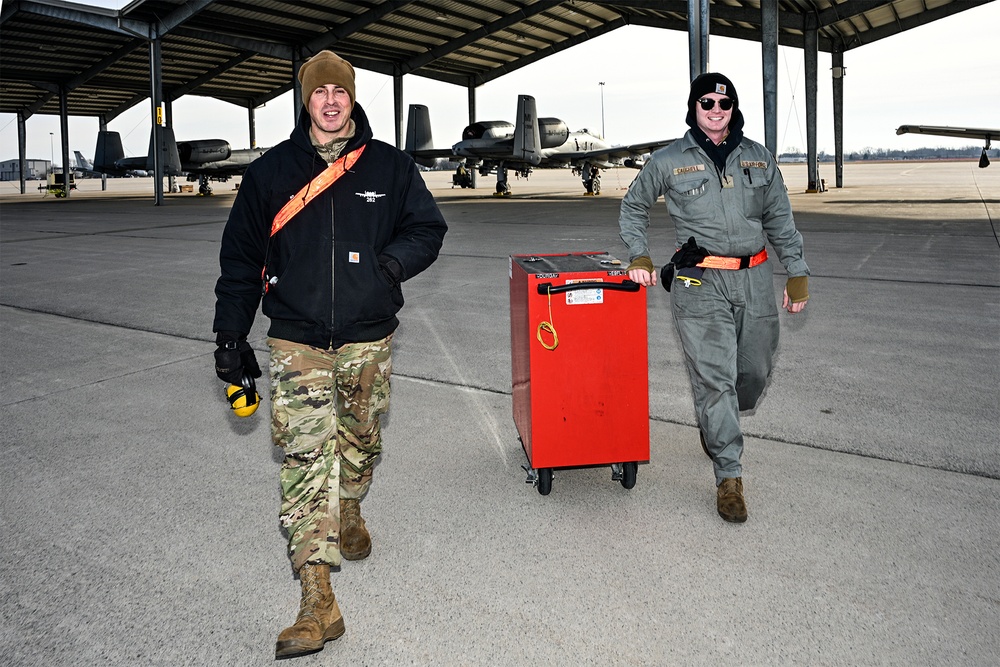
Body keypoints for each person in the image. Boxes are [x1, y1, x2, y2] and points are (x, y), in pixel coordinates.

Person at [212, 50, 447, 659]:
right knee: (305, 460)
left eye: (341, 90)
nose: (332, 100)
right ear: (306, 99)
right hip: (297, 338)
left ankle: (351, 504)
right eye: (321, 92)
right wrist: (230, 338)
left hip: (368, 335)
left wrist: (386, 268)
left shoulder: (390, 167)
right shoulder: (269, 175)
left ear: (351, 98)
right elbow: (239, 262)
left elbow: (428, 229)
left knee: (361, 441)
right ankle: (318, 601)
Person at [619, 72, 809, 524]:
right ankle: (729, 475)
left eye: (724, 103)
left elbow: (780, 217)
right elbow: (633, 206)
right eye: (707, 102)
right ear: (694, 107)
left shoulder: (759, 158)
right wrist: (640, 255)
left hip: (755, 277)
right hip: (699, 282)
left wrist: (797, 270)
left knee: (754, 371)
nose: (716, 110)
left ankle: (717, 418)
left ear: (733, 108)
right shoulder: (668, 160)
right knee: (715, 379)